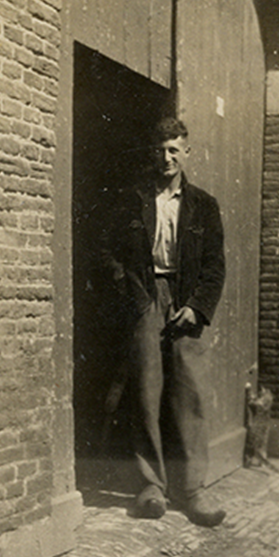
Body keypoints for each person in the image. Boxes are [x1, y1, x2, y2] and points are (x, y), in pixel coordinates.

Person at [99, 117, 226, 527]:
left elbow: (215, 266)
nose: (166, 157)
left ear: (187, 152)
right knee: (146, 390)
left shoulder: (204, 204)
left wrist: (197, 307)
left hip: (186, 300)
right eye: (160, 150)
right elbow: (106, 251)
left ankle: (192, 490)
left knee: (190, 394)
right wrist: (134, 295)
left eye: (174, 149)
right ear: (152, 154)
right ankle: (151, 486)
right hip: (146, 297)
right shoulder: (132, 199)